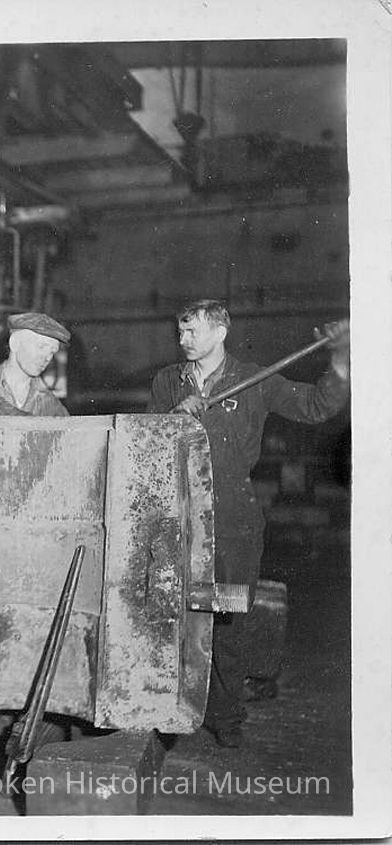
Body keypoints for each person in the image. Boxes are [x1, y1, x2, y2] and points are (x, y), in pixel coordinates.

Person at [147, 299, 349, 748]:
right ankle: (170, 707)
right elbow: (145, 439)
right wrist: (173, 416)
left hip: (233, 519)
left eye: (192, 331)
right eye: (180, 331)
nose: (183, 339)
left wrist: (339, 360)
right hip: (178, 513)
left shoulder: (255, 380)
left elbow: (316, 406)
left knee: (230, 619)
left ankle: (225, 716)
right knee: (173, 613)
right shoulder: (168, 381)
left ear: (221, 332)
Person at [0, 312, 71, 416]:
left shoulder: (49, 403)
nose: (48, 358)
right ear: (14, 343)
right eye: (41, 347)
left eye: (52, 352)